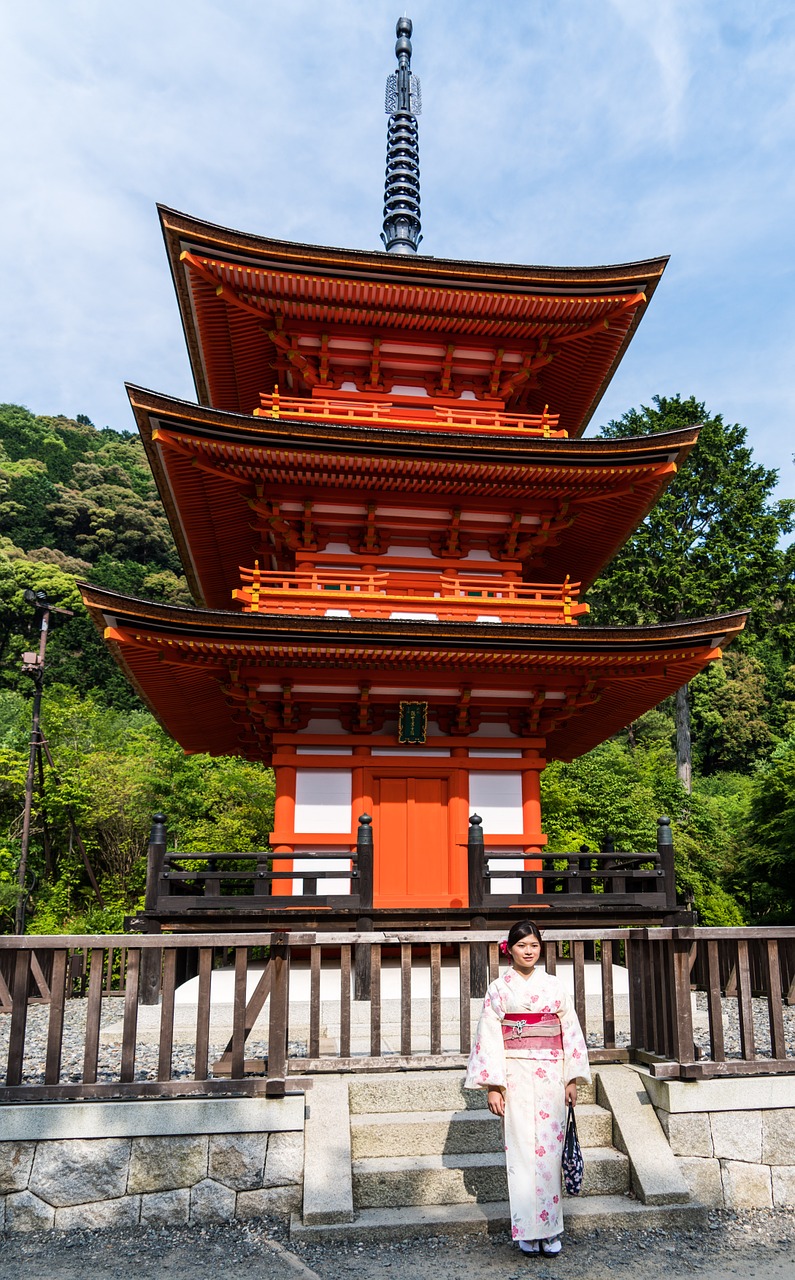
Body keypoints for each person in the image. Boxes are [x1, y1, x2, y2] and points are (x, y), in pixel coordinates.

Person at [464, 919, 591, 1256]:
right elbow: (489, 1038)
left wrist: (572, 1077)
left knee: (549, 1153)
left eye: (534, 945)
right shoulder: (499, 989)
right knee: (520, 1153)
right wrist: (493, 1085)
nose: (529, 951)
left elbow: (570, 1031)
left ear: (540, 948)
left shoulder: (554, 986)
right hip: (515, 1074)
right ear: (510, 949)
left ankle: (550, 1230)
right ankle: (525, 1229)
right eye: (522, 945)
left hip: (551, 1075)